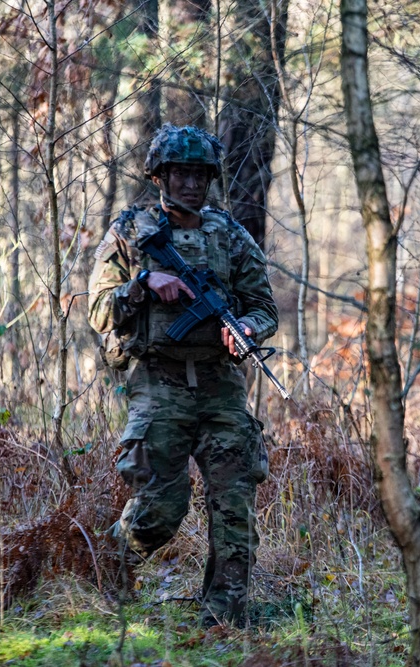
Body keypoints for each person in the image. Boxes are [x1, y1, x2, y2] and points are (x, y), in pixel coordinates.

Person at [87, 124, 279, 627]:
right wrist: (143, 283)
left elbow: (264, 307)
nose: (191, 184)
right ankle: (103, 582)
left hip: (221, 386)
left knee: (235, 509)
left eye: (200, 175)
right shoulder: (130, 232)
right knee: (159, 510)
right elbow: (97, 311)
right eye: (181, 174)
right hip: (159, 383)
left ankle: (223, 620)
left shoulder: (229, 236)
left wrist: (247, 329)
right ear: (160, 176)